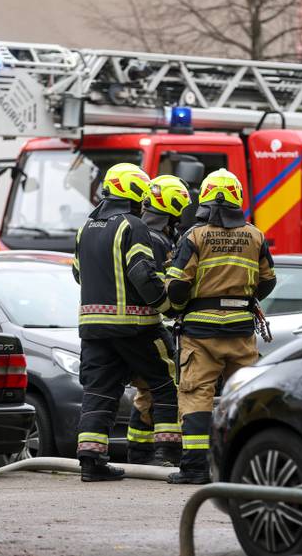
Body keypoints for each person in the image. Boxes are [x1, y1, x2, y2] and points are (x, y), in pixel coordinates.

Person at [164, 169, 276, 484]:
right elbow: (268, 280)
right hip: (241, 331)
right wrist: (244, 297)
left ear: (205, 198)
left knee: (196, 395)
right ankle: (250, 467)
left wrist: (179, 305)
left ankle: (195, 469)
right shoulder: (255, 235)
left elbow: (177, 286)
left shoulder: (195, 235)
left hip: (200, 334)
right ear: (237, 199)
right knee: (246, 398)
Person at [71, 163, 180, 482]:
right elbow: (142, 273)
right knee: (166, 382)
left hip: (93, 329)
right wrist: (168, 305)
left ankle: (91, 462)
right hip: (136, 327)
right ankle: (169, 455)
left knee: (99, 392)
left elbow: (77, 273)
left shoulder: (85, 227)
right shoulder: (133, 226)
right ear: (133, 192)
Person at [127, 175, 192, 466]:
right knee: (167, 385)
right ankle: (166, 453)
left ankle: (139, 453)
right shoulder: (155, 239)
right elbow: (158, 283)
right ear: (173, 207)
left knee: (146, 391)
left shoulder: (147, 233)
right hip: (152, 324)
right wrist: (174, 307)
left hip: (137, 325)